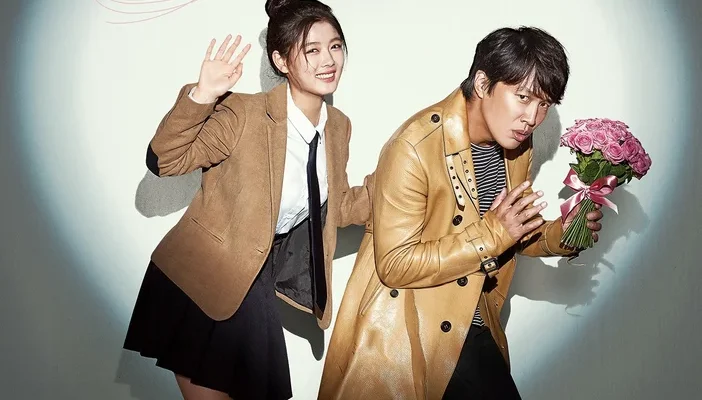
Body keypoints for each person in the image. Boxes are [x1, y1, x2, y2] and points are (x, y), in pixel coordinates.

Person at [318, 26, 604, 400]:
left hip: (472, 318)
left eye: (544, 105)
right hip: (411, 328)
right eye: (522, 98)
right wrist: (494, 234)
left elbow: (510, 230)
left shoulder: (516, 146)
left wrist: (560, 233)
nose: (532, 117)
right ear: (483, 84)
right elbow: (395, 265)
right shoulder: (415, 147)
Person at [123, 1, 373, 399]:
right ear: (281, 60)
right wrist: (202, 95)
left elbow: (337, 205)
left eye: (335, 46)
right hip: (199, 276)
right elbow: (165, 160)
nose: (328, 60)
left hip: (253, 279)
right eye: (312, 50)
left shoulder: (338, 127)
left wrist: (401, 182)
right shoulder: (244, 113)